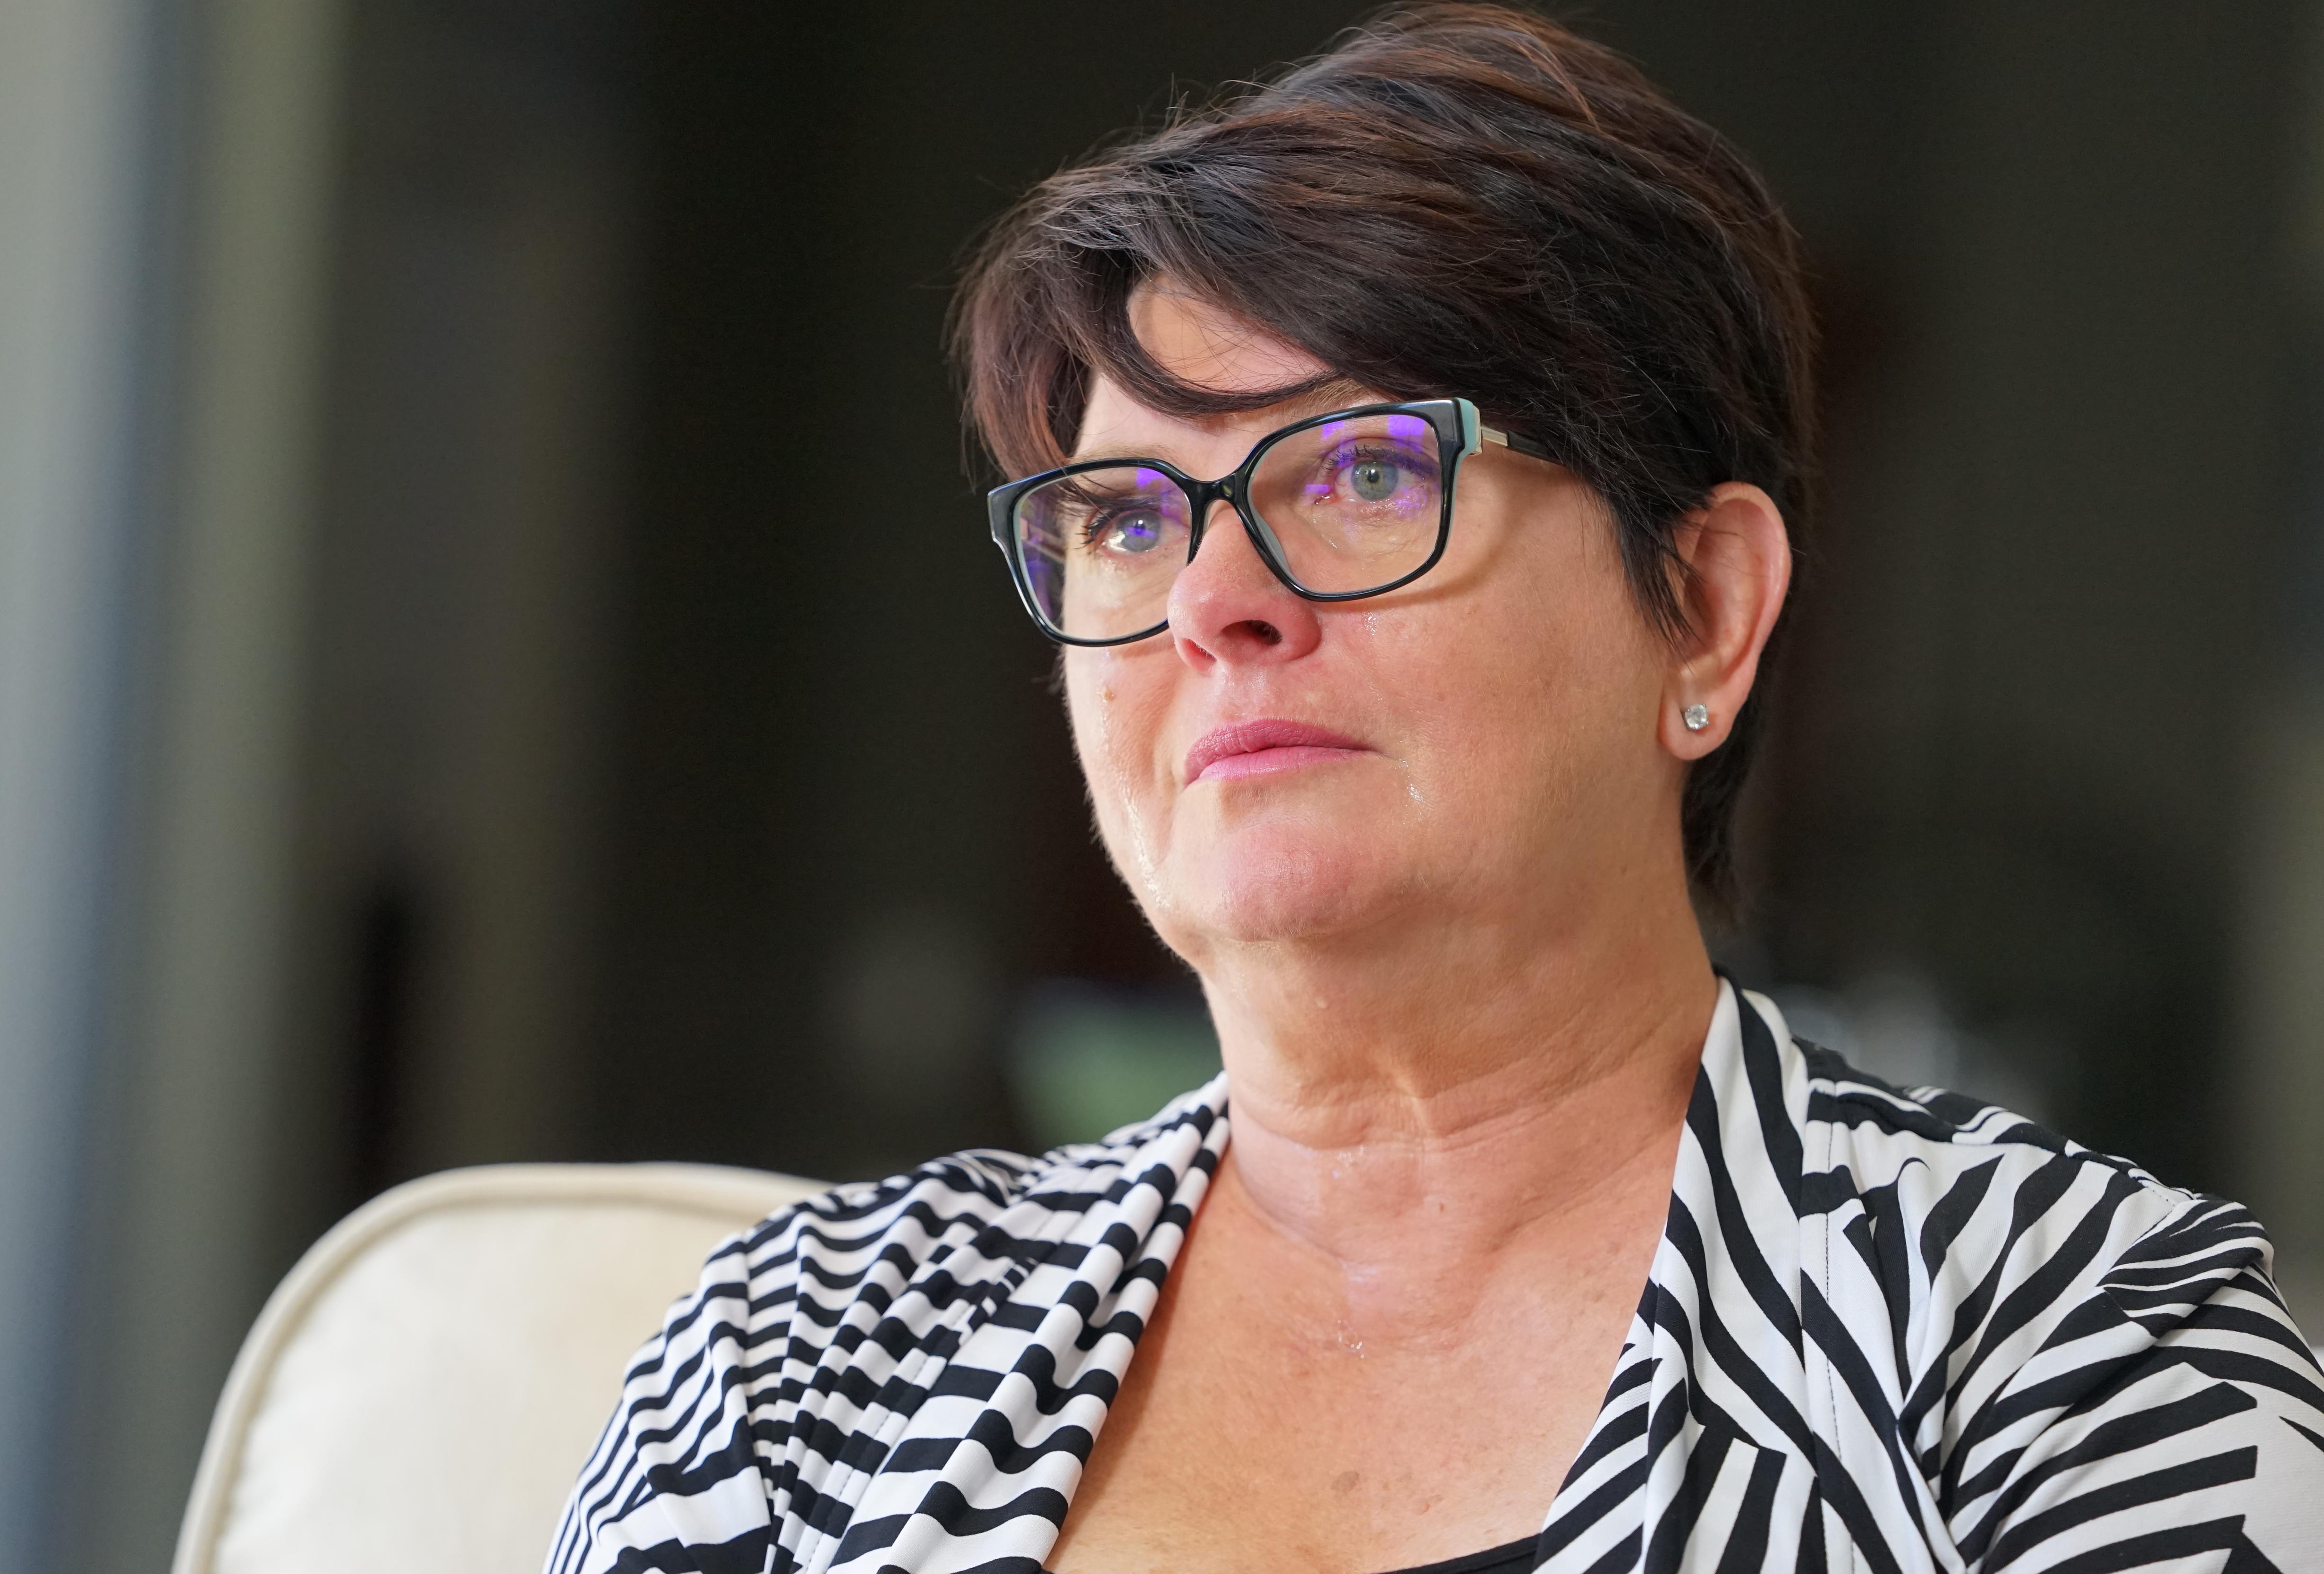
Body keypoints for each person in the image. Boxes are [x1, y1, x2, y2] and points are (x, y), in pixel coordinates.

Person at [546, 7, 2324, 1571]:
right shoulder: (794, 1363)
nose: (1214, 601)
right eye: (1122, 520)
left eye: (1368, 474)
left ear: (1702, 611)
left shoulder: (2086, 1354)